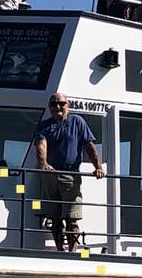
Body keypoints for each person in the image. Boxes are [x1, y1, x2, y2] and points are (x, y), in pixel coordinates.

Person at [34, 92, 106, 252]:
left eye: (61, 103)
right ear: (49, 107)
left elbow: (89, 145)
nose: (58, 107)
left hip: (70, 176)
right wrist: (44, 163)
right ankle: (60, 250)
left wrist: (98, 167)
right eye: (53, 104)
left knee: (72, 217)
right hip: (50, 176)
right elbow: (41, 145)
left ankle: (72, 252)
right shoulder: (44, 125)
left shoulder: (77, 121)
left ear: (68, 105)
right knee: (54, 218)